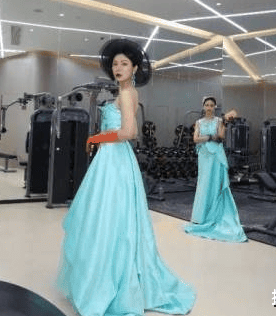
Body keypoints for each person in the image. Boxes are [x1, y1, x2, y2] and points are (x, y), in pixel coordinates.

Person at [57, 38, 196, 316]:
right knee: (106, 218)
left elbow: (129, 133)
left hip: (116, 160)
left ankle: (109, 281)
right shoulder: (122, 93)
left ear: (134, 68)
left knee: (112, 218)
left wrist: (97, 137)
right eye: (115, 64)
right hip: (110, 160)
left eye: (124, 63)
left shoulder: (129, 93)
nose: (118, 67)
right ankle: (99, 275)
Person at [183, 96, 247, 242]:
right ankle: (201, 217)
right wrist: (209, 137)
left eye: (212, 105)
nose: (209, 107)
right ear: (203, 106)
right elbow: (195, 139)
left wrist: (221, 126)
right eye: (207, 105)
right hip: (204, 156)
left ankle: (216, 215)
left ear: (215, 107)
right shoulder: (198, 122)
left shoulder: (219, 121)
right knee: (203, 184)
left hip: (216, 156)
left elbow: (220, 137)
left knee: (216, 184)